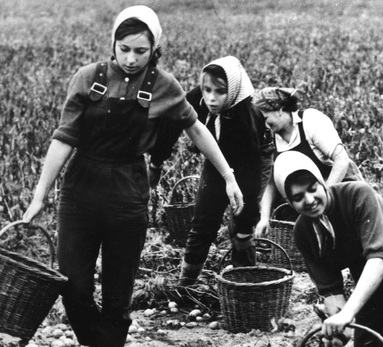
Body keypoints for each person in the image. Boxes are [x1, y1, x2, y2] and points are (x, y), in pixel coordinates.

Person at [20, 6, 244, 347]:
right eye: (124, 49)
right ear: (113, 43)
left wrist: (228, 175)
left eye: (141, 51)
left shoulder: (163, 85)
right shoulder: (87, 77)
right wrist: (39, 196)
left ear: (154, 49)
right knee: (72, 284)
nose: (130, 59)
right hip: (81, 189)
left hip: (128, 191)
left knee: (118, 293)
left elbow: (196, 129)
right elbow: (63, 138)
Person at [273, 151, 383, 347]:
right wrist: (340, 329)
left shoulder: (357, 194)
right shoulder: (303, 232)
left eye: (313, 189)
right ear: (289, 202)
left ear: (322, 183)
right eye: (298, 197)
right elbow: (331, 291)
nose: (309, 200)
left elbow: (378, 261)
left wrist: (348, 313)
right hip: (377, 292)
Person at [178, 56, 275, 285]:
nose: (211, 98)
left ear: (231, 91)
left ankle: (244, 280)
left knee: (242, 223)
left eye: (220, 92)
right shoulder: (197, 99)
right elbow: (176, 116)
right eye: (207, 90)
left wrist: (248, 212)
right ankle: (186, 283)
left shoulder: (247, 116)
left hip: (251, 161)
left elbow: (251, 175)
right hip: (217, 160)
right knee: (203, 221)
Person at [252, 87, 362, 237]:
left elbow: (341, 160)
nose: (264, 126)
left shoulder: (310, 121)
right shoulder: (270, 139)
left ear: (279, 110)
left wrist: (325, 196)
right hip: (306, 197)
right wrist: (264, 217)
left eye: (265, 119)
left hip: (337, 187)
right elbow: (270, 182)